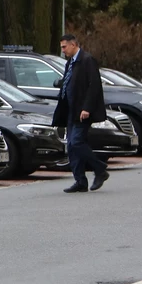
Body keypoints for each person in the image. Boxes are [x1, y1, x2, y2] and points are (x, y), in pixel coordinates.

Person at [52, 34, 110, 192]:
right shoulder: (70, 63)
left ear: (73, 45)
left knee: (77, 142)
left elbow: (94, 86)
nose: (63, 50)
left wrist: (87, 108)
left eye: (64, 47)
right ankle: (80, 181)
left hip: (82, 111)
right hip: (70, 110)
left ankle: (100, 169)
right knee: (71, 146)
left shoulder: (86, 60)